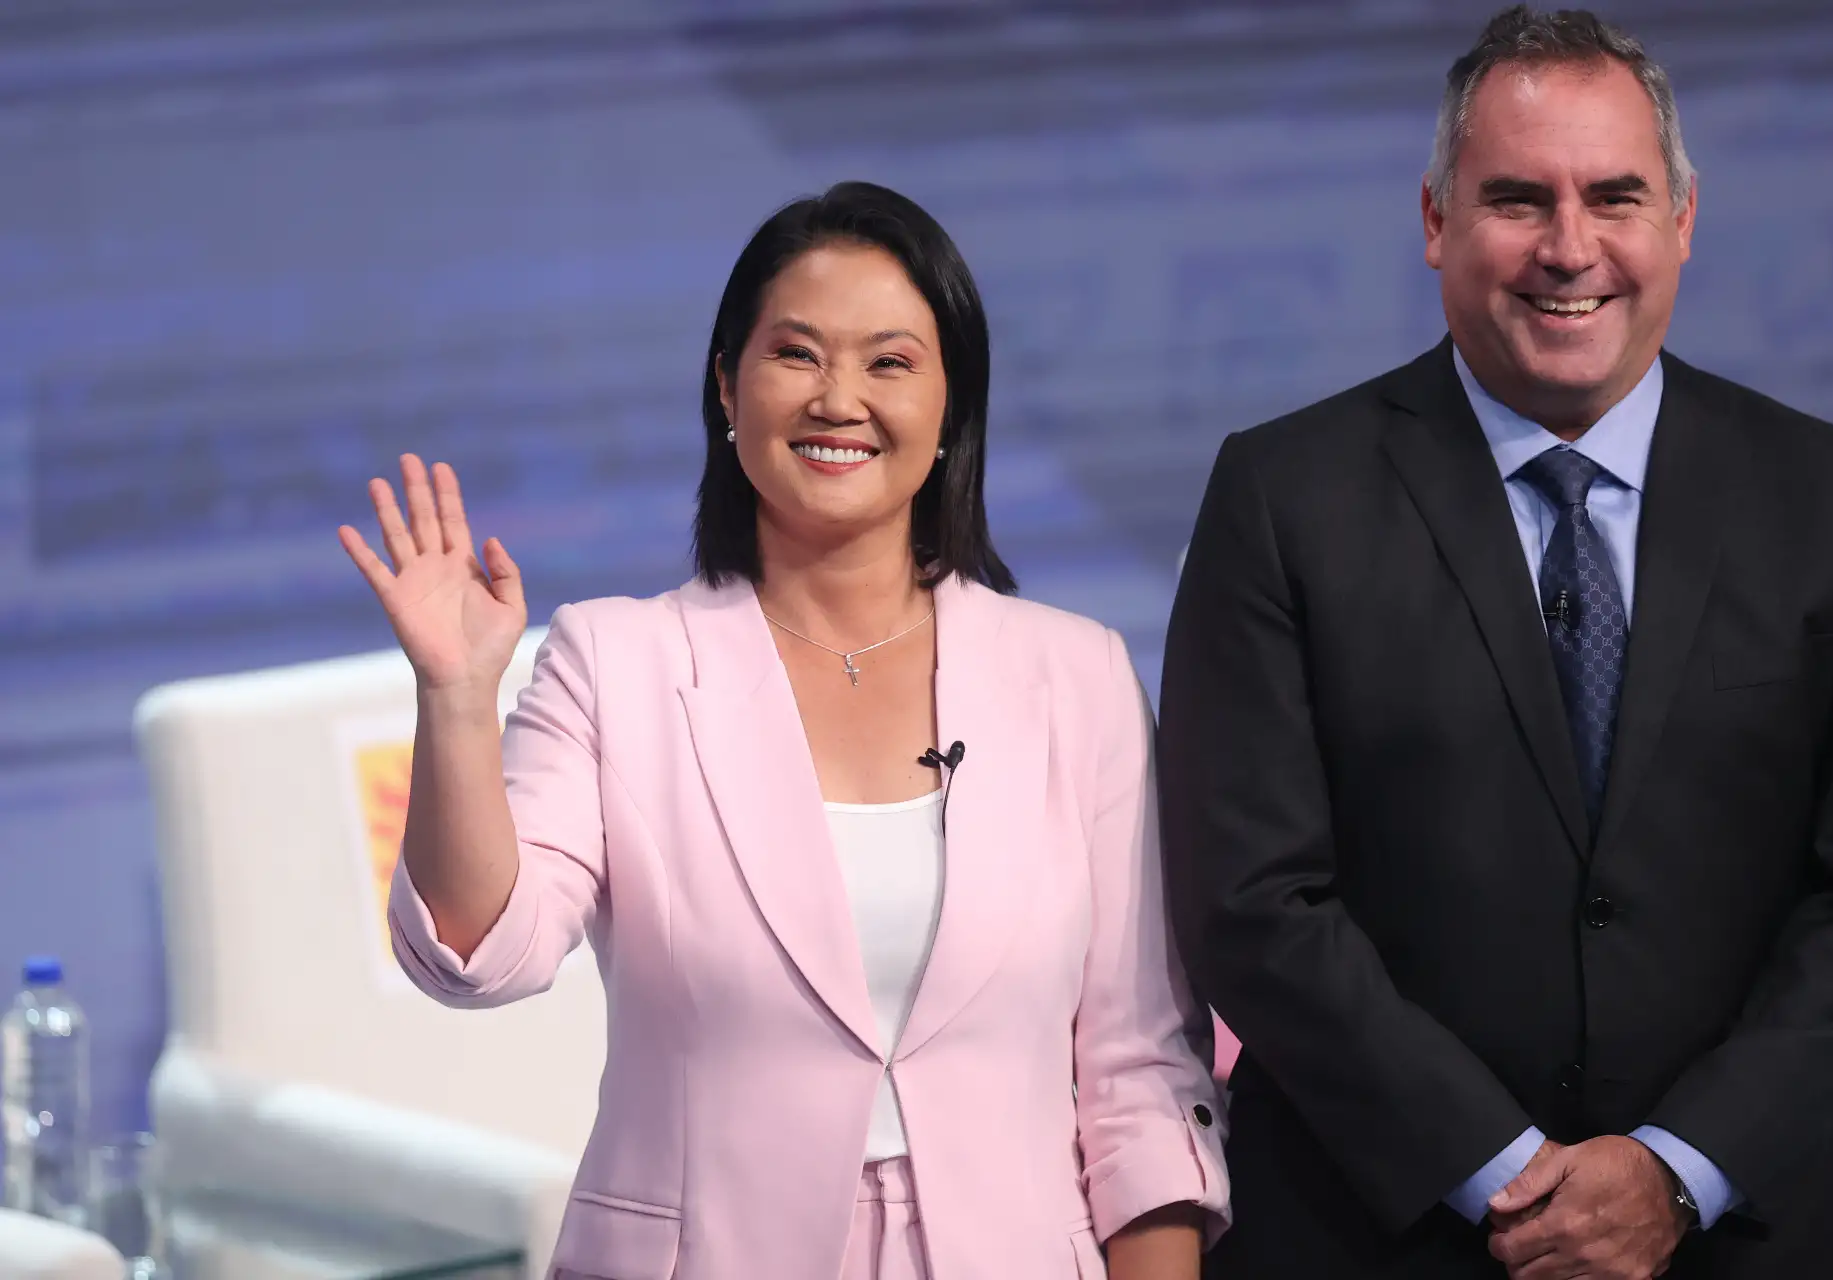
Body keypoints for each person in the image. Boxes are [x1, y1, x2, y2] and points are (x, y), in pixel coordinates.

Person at [339, 181, 1227, 1280]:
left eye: (891, 362)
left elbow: (1139, 1068)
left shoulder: (1076, 675)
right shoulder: (616, 663)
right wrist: (458, 697)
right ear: (726, 385)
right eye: (797, 354)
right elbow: (481, 951)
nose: (839, 398)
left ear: (952, 407)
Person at [1159, 7, 1833, 1279]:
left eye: (1615, 196)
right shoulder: (1284, 494)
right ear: (1434, 220)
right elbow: (1251, 898)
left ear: (1681, 218)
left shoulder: (1832, 495)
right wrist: (1503, 1173)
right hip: (1378, 1233)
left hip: (1745, 1237)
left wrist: (1677, 1170)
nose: (1570, 249)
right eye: (1518, 198)